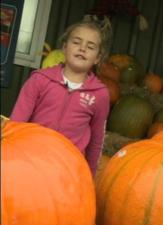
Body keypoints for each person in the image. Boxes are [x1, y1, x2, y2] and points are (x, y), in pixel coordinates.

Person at [10, 16, 113, 176]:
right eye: (76, 42)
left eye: (90, 46)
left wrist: (89, 175)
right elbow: (17, 122)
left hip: (68, 169)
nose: (82, 48)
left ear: (98, 58)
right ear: (64, 48)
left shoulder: (100, 94)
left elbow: (96, 139)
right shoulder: (40, 80)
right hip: (31, 159)